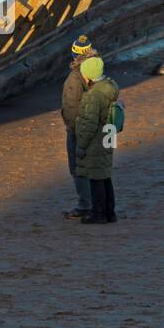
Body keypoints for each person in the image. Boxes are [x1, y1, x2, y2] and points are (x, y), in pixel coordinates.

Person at [74, 55, 119, 224]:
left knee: (96, 177)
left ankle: (98, 214)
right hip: (109, 134)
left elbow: (89, 123)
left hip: (97, 139)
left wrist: (82, 145)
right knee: (105, 174)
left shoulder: (93, 95)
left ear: (90, 74)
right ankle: (110, 212)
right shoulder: (111, 87)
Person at [61, 35, 95, 219]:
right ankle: (95, 204)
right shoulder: (96, 70)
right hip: (95, 126)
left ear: (74, 55)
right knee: (95, 167)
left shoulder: (75, 78)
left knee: (78, 168)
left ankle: (85, 205)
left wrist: (74, 130)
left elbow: (72, 108)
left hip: (79, 129)